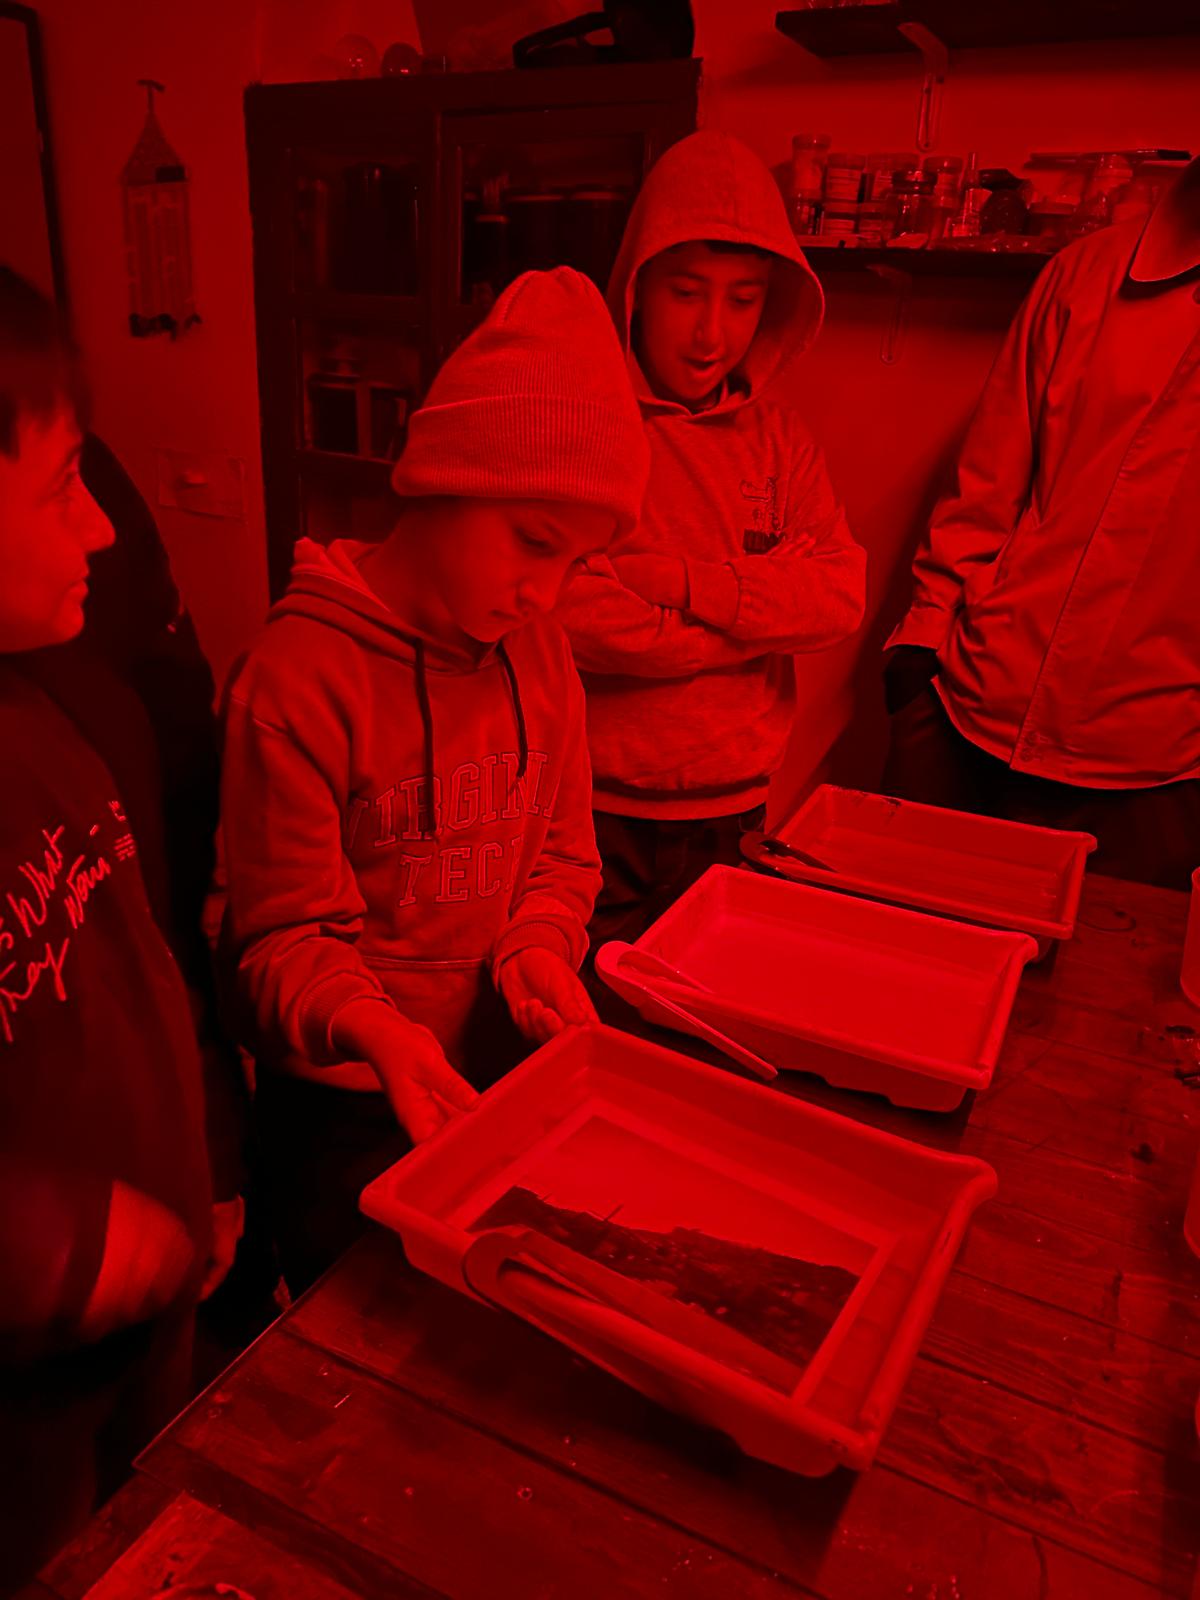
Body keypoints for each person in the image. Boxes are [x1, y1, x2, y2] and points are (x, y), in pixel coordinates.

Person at [220, 267, 650, 1293]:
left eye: (578, 564)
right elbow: (275, 941)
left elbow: (561, 859)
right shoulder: (296, 679)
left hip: (490, 1070)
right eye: (534, 543)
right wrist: (375, 1028)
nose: (545, 593)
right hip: (343, 1100)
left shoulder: (540, 652)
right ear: (443, 479)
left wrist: (538, 947)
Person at [0, 273, 222, 1588]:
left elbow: (144, 971)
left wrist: (207, 1165)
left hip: (145, 1334)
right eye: (59, 486)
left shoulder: (60, 711)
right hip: (23, 1422)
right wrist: (62, 1243)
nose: (99, 527)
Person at [555, 131, 866, 948]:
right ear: (638, 286)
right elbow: (566, 611)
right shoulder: (582, 426)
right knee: (576, 1006)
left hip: (736, 806)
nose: (710, 334)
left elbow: (838, 596)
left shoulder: (781, 440)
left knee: (701, 1005)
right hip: (589, 804)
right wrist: (752, 623)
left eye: (743, 299)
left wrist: (679, 583)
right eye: (686, 293)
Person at [882, 157, 1200, 889]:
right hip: (963, 712)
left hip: (1153, 777)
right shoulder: (1088, 272)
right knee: (887, 945)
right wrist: (919, 647)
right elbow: (984, 484)